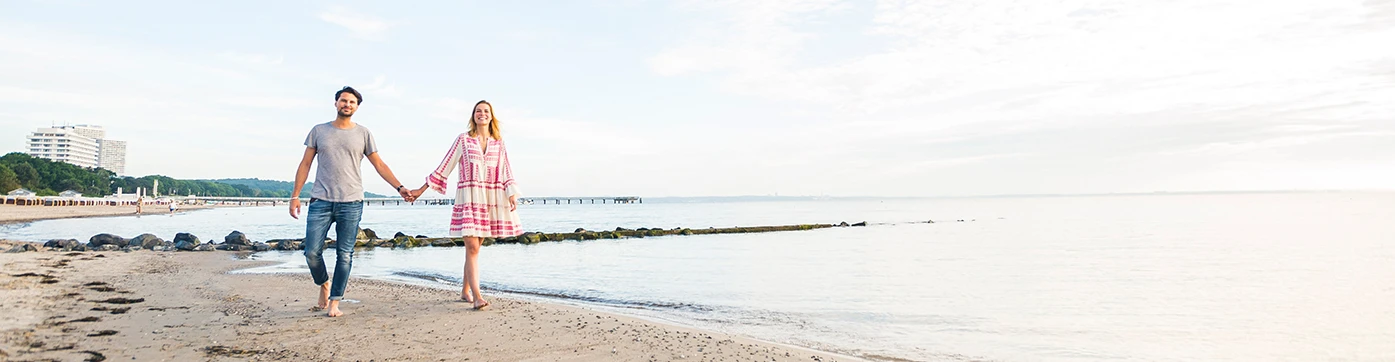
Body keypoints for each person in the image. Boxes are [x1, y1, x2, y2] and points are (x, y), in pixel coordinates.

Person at [289, 86, 414, 317]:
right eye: (344, 101)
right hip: (320, 200)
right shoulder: (319, 131)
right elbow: (305, 164)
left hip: (352, 202)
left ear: (357, 107)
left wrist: (399, 187)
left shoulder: (363, 134)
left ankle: (335, 301)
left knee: (344, 254)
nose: (347, 104)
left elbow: (380, 165)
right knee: (311, 252)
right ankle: (324, 283)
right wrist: (295, 196)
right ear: (336, 103)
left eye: (352, 102)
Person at [409, 100, 522, 311]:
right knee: (471, 247)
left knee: (475, 249)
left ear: (491, 116)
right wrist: (420, 190)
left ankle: (464, 291)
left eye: (486, 111)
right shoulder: (464, 140)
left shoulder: (499, 143)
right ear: (473, 116)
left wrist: (511, 193)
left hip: (489, 198)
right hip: (469, 198)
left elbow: (506, 169)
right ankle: (478, 296)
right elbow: (445, 165)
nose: (482, 114)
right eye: (478, 111)